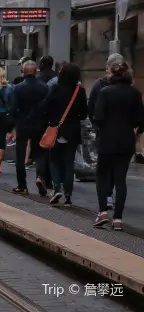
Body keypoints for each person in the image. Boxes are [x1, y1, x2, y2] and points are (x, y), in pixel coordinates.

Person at [93, 61, 144, 230]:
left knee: (102, 175)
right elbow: (141, 120)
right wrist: (135, 132)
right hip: (126, 140)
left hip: (107, 139)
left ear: (111, 75)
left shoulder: (105, 92)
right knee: (120, 178)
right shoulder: (135, 93)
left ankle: (102, 212)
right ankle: (118, 219)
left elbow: (98, 117)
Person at [41, 63, 87, 206]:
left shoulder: (55, 88)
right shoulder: (80, 91)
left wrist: (51, 117)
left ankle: (56, 188)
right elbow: (84, 114)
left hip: (56, 128)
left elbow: (43, 106)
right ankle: (68, 196)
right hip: (72, 131)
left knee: (54, 160)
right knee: (69, 162)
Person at [8, 59, 51, 195]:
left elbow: (13, 109)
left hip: (23, 124)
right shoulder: (44, 87)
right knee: (40, 152)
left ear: (23, 71)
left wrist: (14, 121)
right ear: (36, 70)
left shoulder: (18, 88)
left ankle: (22, 185)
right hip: (40, 124)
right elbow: (48, 106)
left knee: (20, 155)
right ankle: (40, 177)